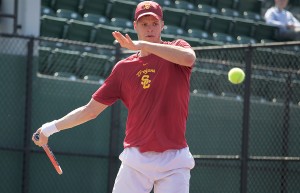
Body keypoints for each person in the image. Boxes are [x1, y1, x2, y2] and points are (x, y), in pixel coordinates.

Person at [32, 1, 196, 193]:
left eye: (154, 23)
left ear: (162, 25)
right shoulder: (123, 69)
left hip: (175, 161)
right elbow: (89, 111)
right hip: (136, 160)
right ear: (135, 26)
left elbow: (189, 58)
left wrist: (143, 44)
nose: (150, 28)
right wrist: (48, 129)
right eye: (144, 24)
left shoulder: (178, 48)